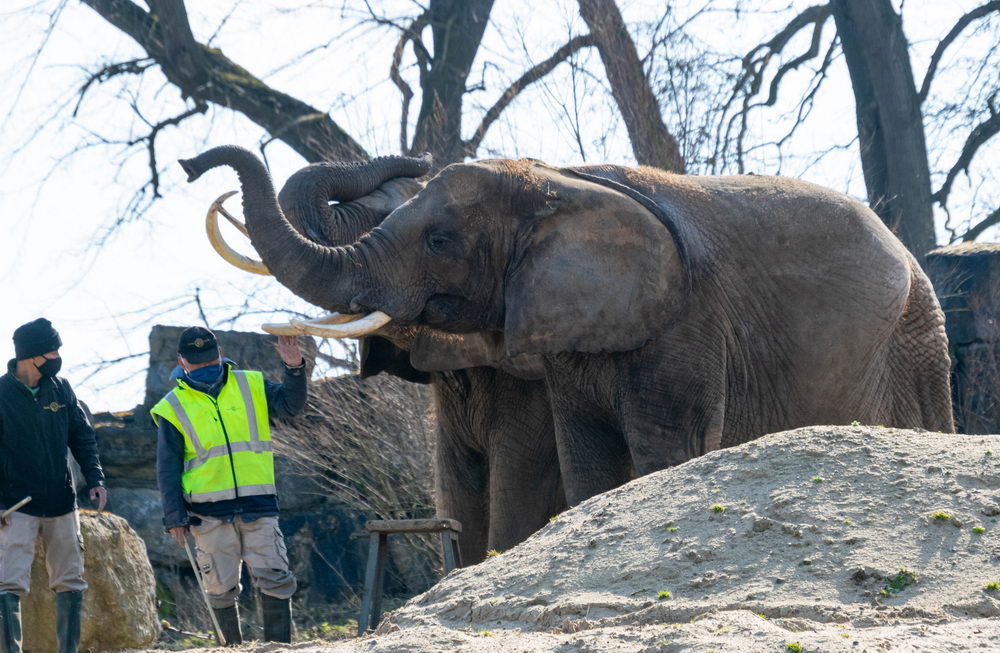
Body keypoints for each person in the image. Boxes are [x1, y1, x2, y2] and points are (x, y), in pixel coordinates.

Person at [152, 326, 307, 644]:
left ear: (220, 354)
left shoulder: (251, 383)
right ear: (183, 362)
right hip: (207, 515)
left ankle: (278, 649)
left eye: (210, 358)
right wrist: (175, 518)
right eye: (198, 361)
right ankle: (231, 649)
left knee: (275, 578)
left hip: (258, 504)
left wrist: (294, 368)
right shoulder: (172, 407)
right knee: (220, 589)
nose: (206, 365)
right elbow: (167, 469)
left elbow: (290, 408)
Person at [0, 318, 107, 653]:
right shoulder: (1, 395)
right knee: (8, 582)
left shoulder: (61, 388)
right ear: (31, 356)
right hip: (15, 505)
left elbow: (82, 436)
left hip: (62, 502)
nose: (58, 357)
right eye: (53, 351)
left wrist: (96, 478)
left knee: (71, 581)